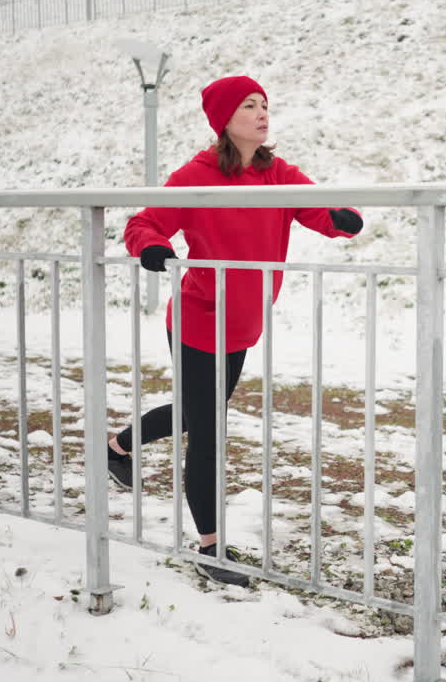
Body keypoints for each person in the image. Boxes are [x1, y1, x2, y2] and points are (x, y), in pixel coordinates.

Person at [111, 75, 363, 587]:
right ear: (225, 119)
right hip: (199, 317)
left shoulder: (277, 173)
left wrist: (343, 217)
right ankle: (209, 548)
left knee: (195, 412)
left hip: (244, 321)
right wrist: (153, 249)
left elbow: (320, 207)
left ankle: (117, 448)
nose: (262, 113)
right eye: (250, 105)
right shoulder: (197, 176)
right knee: (206, 432)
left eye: (265, 104)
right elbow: (144, 223)